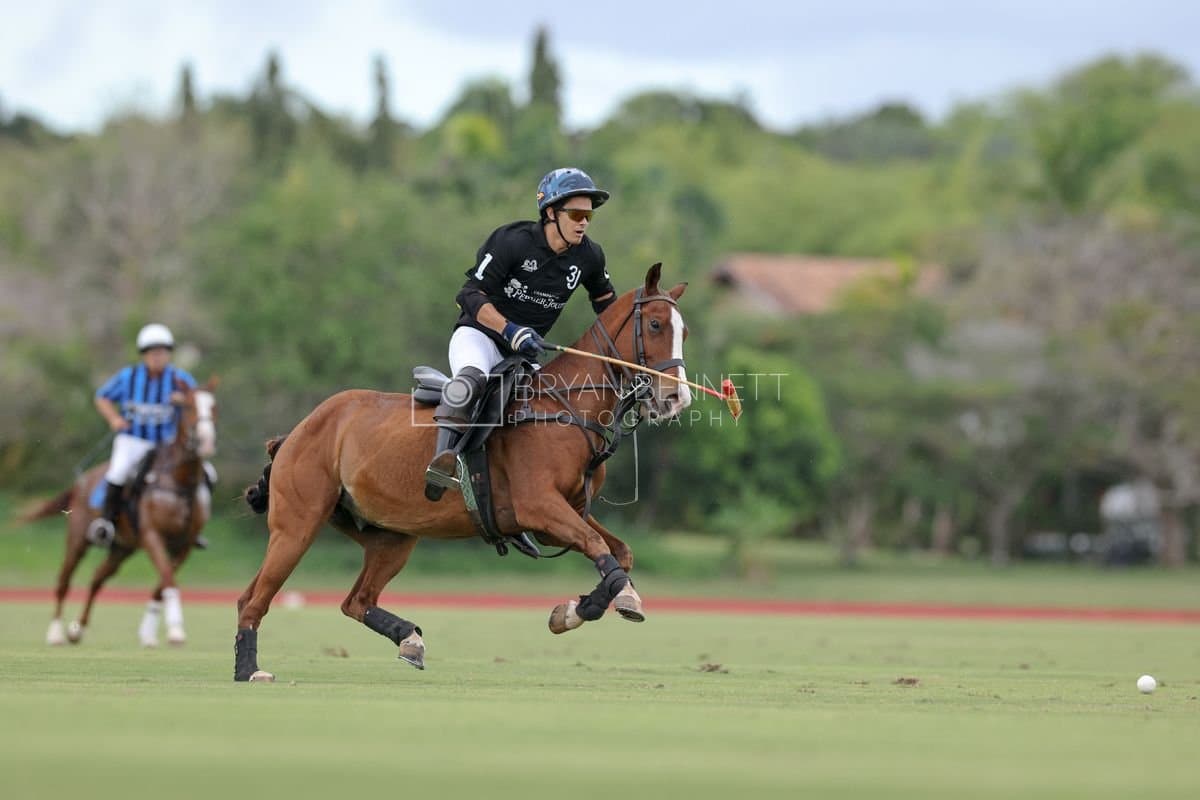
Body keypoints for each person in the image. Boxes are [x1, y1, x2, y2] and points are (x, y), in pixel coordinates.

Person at [424, 167, 617, 501]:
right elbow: (469, 295)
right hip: (480, 337)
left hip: (523, 356)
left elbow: (607, 306)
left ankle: (519, 493)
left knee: (550, 412)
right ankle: (442, 464)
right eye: (576, 214)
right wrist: (509, 329)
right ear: (551, 212)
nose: (584, 222)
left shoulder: (589, 256)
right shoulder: (512, 241)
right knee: (471, 381)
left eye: (589, 216)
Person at [86, 323, 200, 547]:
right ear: (144, 354)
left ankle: (192, 526)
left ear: (169, 354)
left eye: (162, 352)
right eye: (152, 352)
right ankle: (106, 523)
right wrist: (114, 418)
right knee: (118, 472)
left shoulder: (181, 379)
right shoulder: (129, 377)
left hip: (167, 444)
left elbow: (200, 402)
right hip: (133, 440)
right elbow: (102, 397)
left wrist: (185, 400)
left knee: (204, 474)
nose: (157, 356)